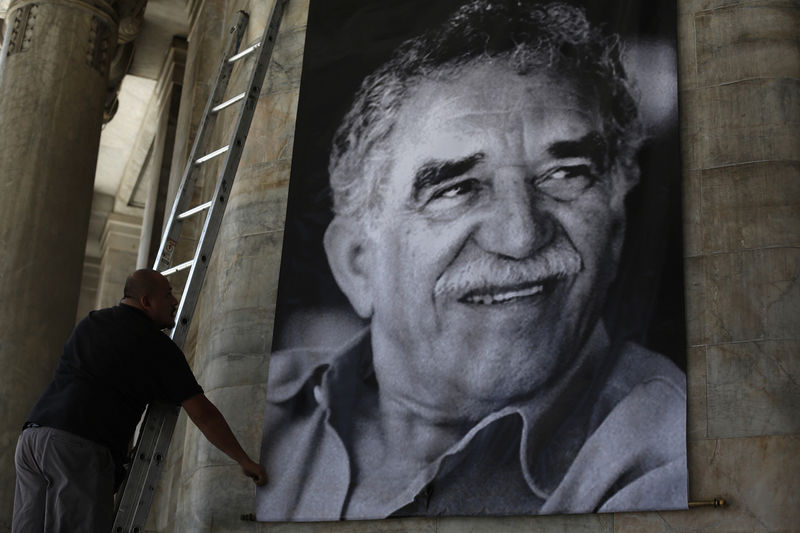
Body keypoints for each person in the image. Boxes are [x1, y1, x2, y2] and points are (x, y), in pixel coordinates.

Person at [257, 0, 686, 521]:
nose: (521, 235)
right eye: (457, 188)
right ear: (358, 265)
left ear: (614, 233)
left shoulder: (672, 455)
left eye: (566, 174)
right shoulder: (258, 412)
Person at [12, 269, 267, 532]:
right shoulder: (155, 346)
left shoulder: (93, 321)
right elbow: (204, 415)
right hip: (78, 448)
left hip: (34, 439)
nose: (176, 301)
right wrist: (244, 460)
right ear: (146, 301)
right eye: (168, 295)